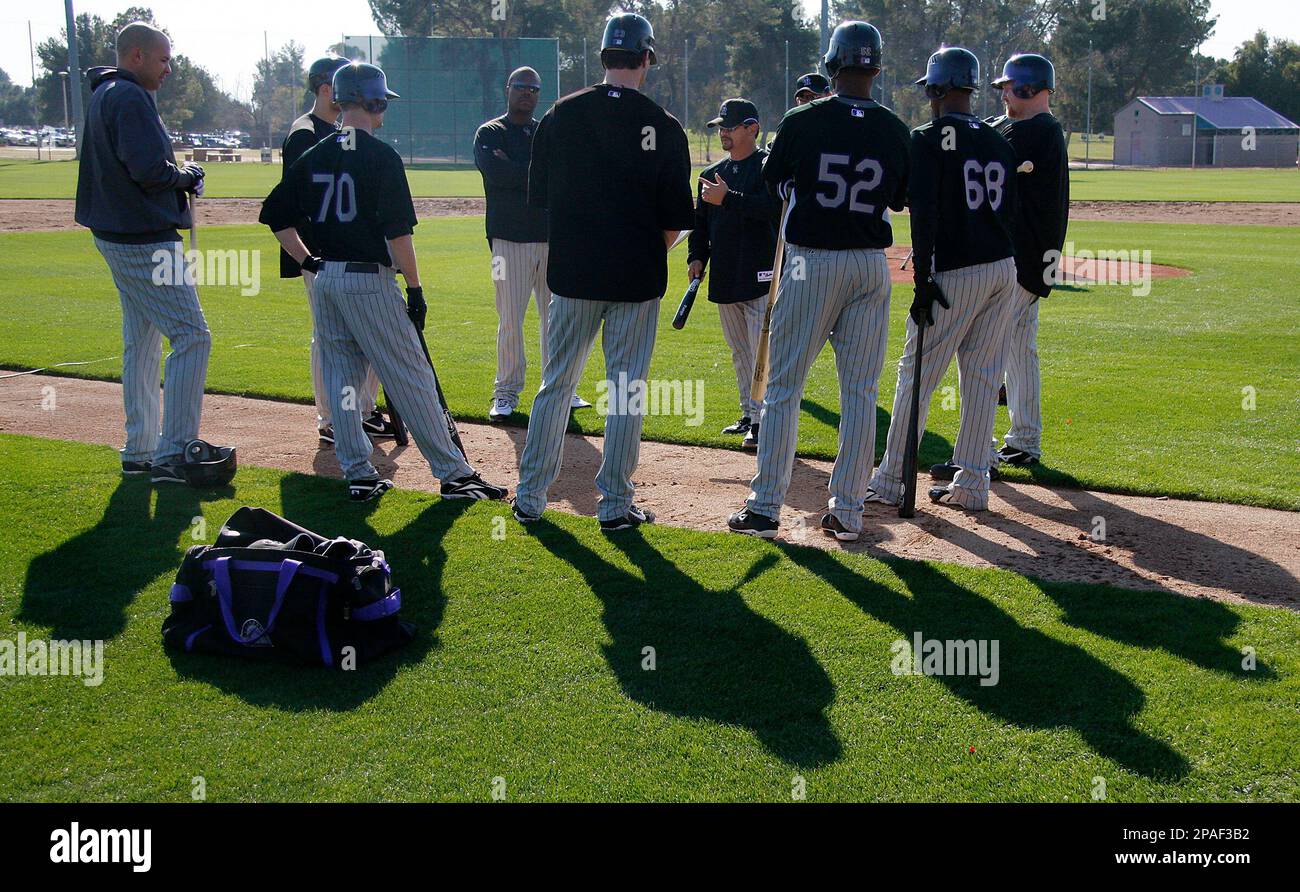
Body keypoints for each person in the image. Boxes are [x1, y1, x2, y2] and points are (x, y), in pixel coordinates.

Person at [260, 62, 508, 503]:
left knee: (342, 377)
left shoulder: (315, 152)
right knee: (411, 375)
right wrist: (414, 288)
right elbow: (398, 235)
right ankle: (454, 474)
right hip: (368, 280)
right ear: (373, 101)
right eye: (381, 103)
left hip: (326, 279)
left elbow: (275, 216)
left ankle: (357, 471)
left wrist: (309, 261)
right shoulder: (380, 156)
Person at [726, 21, 910, 542]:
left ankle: (765, 508)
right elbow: (901, 197)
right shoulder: (896, 128)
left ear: (832, 66)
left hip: (811, 262)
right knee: (860, 392)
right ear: (875, 67)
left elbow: (776, 180)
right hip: (871, 264)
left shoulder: (803, 119)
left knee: (783, 387)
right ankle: (848, 510)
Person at [512, 12, 694, 531]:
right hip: (636, 280)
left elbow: (541, 201)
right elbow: (674, 223)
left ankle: (529, 498)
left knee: (556, 386)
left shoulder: (561, 114)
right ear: (645, 59)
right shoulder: (662, 124)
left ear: (604, 57)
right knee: (626, 391)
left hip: (572, 275)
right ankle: (614, 504)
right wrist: (638, 248)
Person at [868, 46, 1019, 512]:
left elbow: (924, 213)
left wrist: (923, 280)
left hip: (957, 271)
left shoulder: (928, 138)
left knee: (916, 372)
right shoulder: (998, 138)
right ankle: (973, 484)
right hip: (1003, 267)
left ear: (936, 89)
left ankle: (892, 479)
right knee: (982, 376)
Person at [74, 22, 212, 484]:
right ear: (136, 56)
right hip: (143, 237)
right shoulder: (128, 96)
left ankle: (142, 449)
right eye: (164, 59)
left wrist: (176, 175)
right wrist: (187, 176)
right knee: (192, 336)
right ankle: (174, 452)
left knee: (142, 341)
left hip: (116, 233)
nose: (169, 69)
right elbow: (150, 170)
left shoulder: (105, 93)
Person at [281, 54, 391, 446]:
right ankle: (331, 417)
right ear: (328, 89)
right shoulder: (306, 133)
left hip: (355, 253)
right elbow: (296, 205)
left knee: (366, 334)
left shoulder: (340, 132)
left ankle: (362, 409)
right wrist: (310, 258)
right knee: (330, 338)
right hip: (320, 253)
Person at [473, 66, 590, 423]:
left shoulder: (546, 132)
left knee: (557, 320)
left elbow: (564, 176)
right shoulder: (491, 132)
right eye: (521, 87)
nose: (527, 93)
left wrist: (524, 169)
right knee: (510, 317)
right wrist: (537, 170)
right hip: (508, 241)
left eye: (534, 88)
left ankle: (560, 389)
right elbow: (498, 175)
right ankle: (505, 393)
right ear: (508, 89)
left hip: (551, 239)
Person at [988, 53, 1069, 469]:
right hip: (1030, 257)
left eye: (1009, 86)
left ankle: (978, 452)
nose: (1003, 93)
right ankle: (1025, 440)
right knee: (1020, 349)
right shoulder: (1017, 127)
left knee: (991, 349)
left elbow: (992, 149)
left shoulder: (1040, 130)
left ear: (1029, 88)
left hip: (1023, 258)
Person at [687, 98, 780, 446]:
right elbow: (700, 225)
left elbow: (772, 211)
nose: (723, 132)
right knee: (740, 351)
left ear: (752, 128)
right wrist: (696, 257)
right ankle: (748, 413)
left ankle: (763, 419)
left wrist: (729, 198)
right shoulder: (712, 174)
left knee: (761, 352)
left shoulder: (767, 167)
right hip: (726, 275)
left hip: (760, 276)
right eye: (721, 127)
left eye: (730, 126)